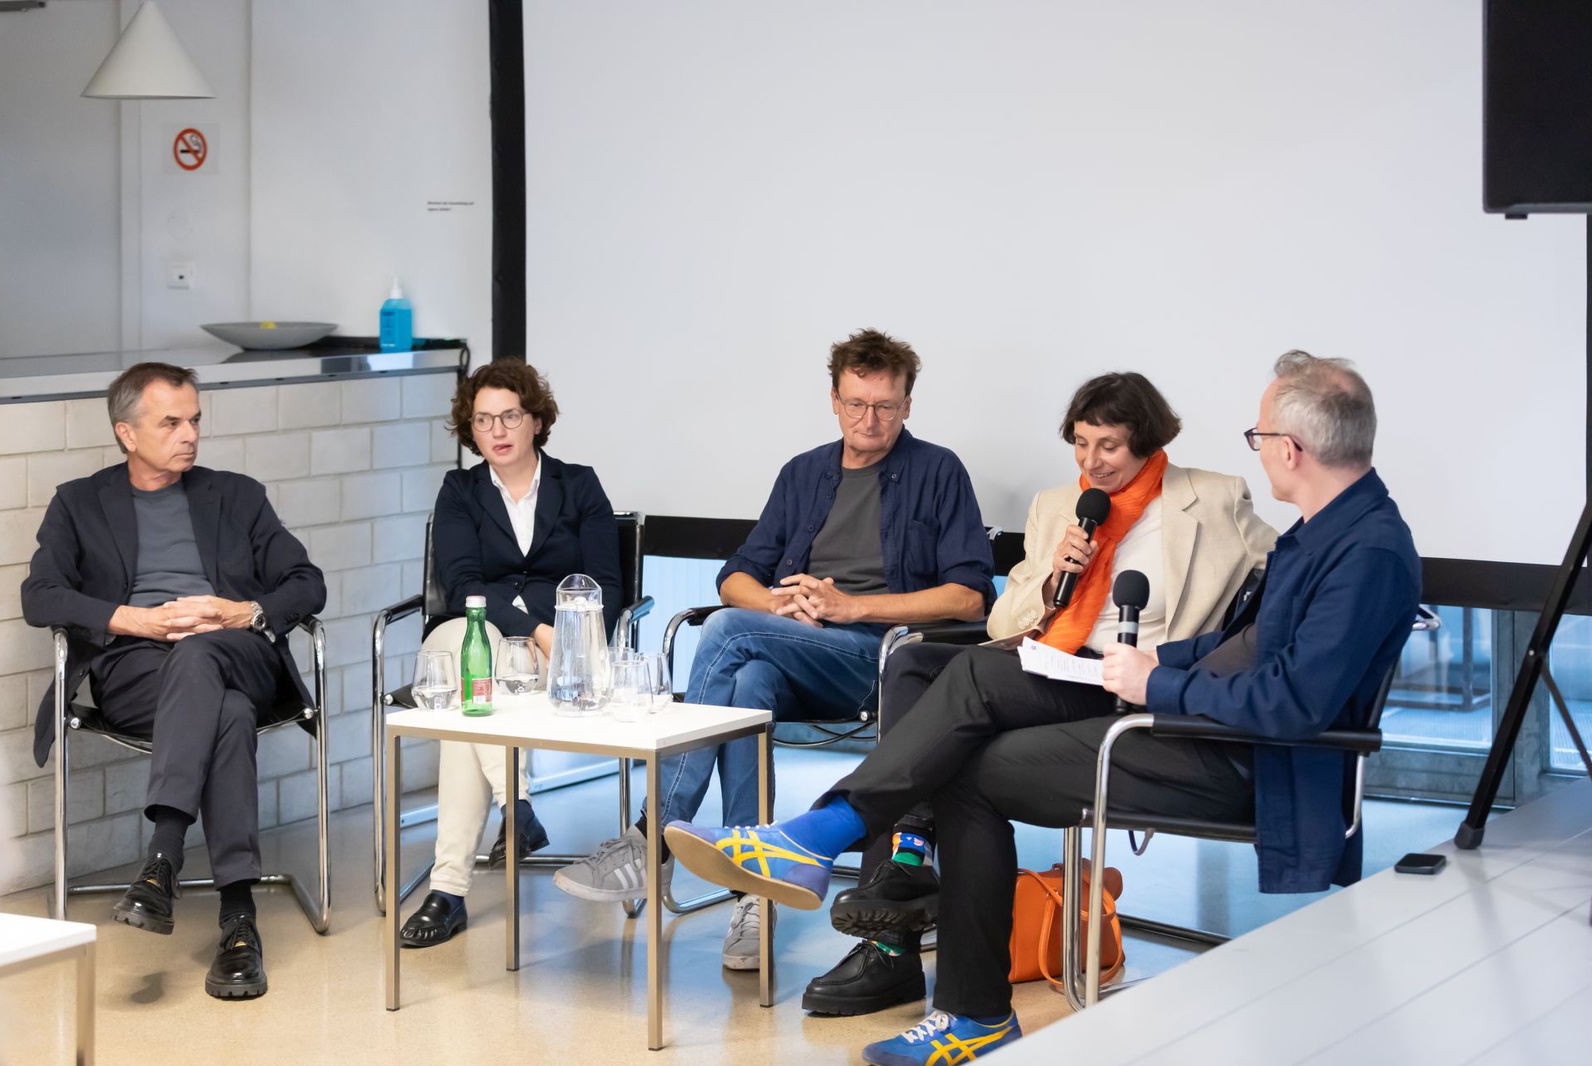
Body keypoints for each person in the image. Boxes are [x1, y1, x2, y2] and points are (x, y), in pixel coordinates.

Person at [664, 350, 1420, 1064]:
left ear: (1292, 449)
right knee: (965, 716)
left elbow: (1292, 704)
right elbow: (1240, 645)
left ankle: (832, 850)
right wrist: (1156, 663)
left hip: (1240, 759)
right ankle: (953, 991)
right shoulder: (1323, 533)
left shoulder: (1368, 551)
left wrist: (1156, 684)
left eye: (1260, 436)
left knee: (965, 736)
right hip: (1191, 720)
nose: (1257, 449)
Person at [801, 371, 1276, 1017]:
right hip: (1052, 665)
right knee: (912, 662)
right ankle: (903, 871)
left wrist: (1207, 669)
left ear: (1146, 440)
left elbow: (1284, 584)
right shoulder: (1058, 506)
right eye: (1080, 443)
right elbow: (1004, 620)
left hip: (1128, 682)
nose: (1091, 461)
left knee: (966, 694)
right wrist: (1055, 578)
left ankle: (862, 884)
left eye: (1108, 445)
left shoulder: (1212, 498)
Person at [554, 327, 997, 971]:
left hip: (884, 660)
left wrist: (853, 607)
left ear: (908, 404)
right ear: (834, 400)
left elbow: (970, 597)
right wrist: (777, 606)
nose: (869, 419)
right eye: (856, 404)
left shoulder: (938, 471)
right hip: (799, 649)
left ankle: (652, 836)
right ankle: (752, 894)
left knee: (728, 632)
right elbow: (735, 577)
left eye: (885, 406)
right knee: (750, 679)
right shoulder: (804, 474)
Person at [22, 362, 327, 1001]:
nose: (190, 435)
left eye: (194, 420)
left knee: (201, 655)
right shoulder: (78, 503)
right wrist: (134, 619)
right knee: (229, 714)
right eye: (171, 423)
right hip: (136, 668)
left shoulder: (237, 496)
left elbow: (306, 582)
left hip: (238, 650)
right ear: (126, 433)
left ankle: (162, 859)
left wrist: (240, 612)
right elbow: (40, 595)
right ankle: (238, 919)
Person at [399, 360, 621, 947]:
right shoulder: (460, 491)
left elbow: (607, 587)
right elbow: (462, 586)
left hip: (556, 653)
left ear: (537, 421)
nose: (496, 430)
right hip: (467, 632)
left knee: (467, 702)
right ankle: (516, 807)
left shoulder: (580, 485)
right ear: (470, 429)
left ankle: (449, 891)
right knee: (475, 657)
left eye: (510, 416)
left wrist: (557, 635)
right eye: (483, 420)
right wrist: (533, 626)